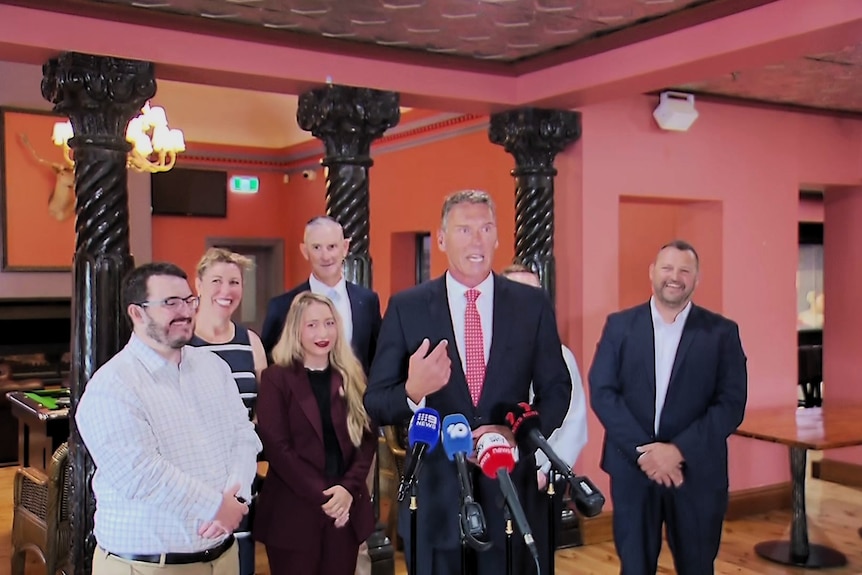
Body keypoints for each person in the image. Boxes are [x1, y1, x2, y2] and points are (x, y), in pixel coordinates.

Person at [364, 190, 572, 575]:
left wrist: (516, 434)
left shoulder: (531, 304)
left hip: (511, 496)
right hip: (436, 497)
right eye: (464, 229)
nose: (477, 240)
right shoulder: (407, 307)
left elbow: (558, 389)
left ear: (496, 237)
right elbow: (376, 401)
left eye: (485, 229)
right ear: (442, 239)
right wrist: (413, 390)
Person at [75, 262, 262, 575]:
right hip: (148, 566)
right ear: (137, 313)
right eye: (170, 303)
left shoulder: (213, 367)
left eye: (189, 301)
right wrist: (216, 507)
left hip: (223, 558)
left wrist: (237, 496)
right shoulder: (112, 386)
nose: (186, 312)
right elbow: (140, 474)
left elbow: (244, 435)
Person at [588, 240, 748, 575]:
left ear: (696, 278)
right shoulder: (620, 326)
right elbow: (603, 391)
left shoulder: (722, 333)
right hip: (633, 470)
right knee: (634, 566)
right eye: (667, 268)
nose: (675, 277)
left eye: (684, 271)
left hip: (696, 473)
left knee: (697, 566)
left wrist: (677, 451)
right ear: (653, 273)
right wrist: (646, 453)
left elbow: (731, 405)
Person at [254, 291, 378, 575]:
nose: (323, 332)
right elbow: (277, 447)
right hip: (294, 511)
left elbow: (367, 439)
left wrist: (348, 489)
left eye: (329, 323)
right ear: (295, 329)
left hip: (345, 507)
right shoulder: (276, 378)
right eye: (311, 325)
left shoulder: (352, 374)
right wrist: (326, 497)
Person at [189, 247, 268, 575]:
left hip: (239, 482)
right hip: (193, 482)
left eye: (234, 282)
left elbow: (265, 412)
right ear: (198, 284)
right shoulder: (181, 341)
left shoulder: (251, 342)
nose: (226, 290)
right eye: (217, 281)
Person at [500, 264, 588, 489]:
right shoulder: (480, 352)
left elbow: (574, 423)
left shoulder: (561, 356)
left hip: (542, 478)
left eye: (534, 294)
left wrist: (547, 471)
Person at [261, 216, 382, 373]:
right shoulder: (282, 306)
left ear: (345, 248)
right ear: (305, 251)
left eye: (332, 247)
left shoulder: (367, 302)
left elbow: (377, 358)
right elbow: (270, 362)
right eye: (317, 248)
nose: (325, 256)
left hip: (357, 395)